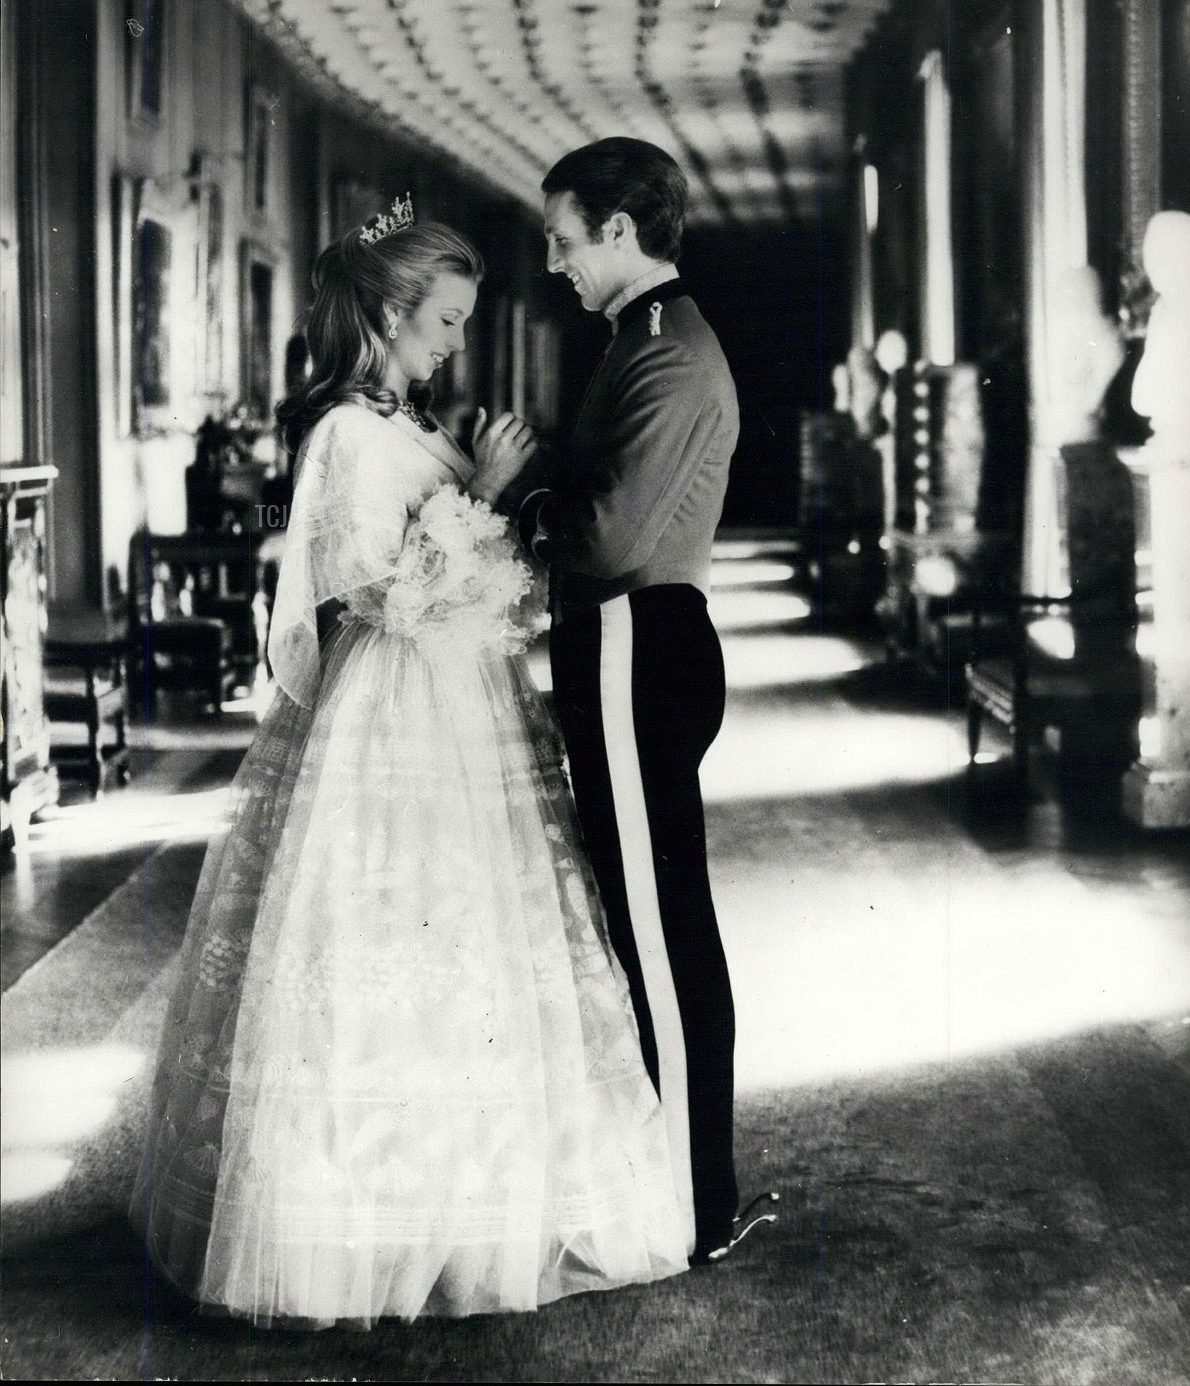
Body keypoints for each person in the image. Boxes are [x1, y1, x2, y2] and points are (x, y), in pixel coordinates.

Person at [130, 200, 689, 1327]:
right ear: (386, 312)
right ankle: (361, 1229)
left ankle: (473, 1202)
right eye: (440, 318)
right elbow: (380, 599)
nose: (451, 340)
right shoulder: (343, 433)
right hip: (389, 716)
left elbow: (477, 582)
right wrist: (477, 491)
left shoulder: (411, 420)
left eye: (462, 320)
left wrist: (485, 489)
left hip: (467, 706)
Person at [519, 138, 774, 1266]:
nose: (555, 264)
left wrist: (521, 493)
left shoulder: (666, 354)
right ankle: (683, 1186)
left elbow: (611, 541)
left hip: (636, 645)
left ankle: (691, 1207)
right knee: (652, 924)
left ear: (621, 234)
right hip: (631, 648)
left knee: (664, 939)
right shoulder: (638, 340)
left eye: (566, 241)